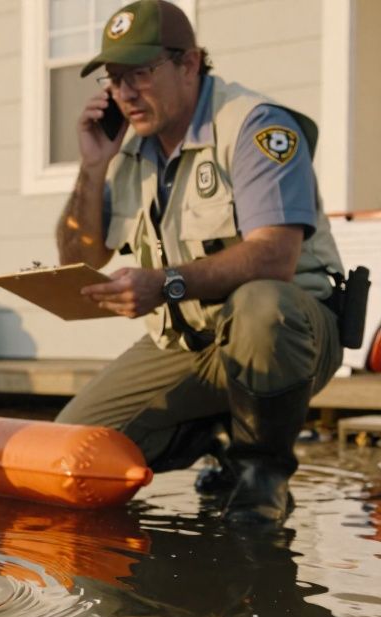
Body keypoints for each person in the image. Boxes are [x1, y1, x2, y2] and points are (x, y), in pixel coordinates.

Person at [54, 0, 345, 528]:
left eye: (140, 72)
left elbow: (275, 256)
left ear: (189, 63)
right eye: (115, 79)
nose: (125, 92)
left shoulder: (257, 127)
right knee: (74, 450)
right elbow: (76, 257)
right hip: (189, 344)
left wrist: (164, 283)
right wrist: (92, 167)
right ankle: (219, 433)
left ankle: (262, 478)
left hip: (290, 334)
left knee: (262, 304)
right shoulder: (131, 152)